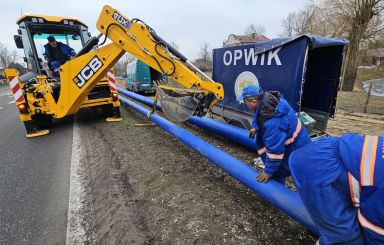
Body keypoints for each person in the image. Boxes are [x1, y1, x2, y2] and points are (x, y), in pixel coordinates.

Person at [289, 133, 384, 245]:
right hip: (320, 169)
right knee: (345, 239)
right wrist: (269, 170)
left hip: (325, 152)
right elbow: (375, 231)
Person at [236, 84, 311, 184]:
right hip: (297, 140)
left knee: (278, 172)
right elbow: (259, 114)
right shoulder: (268, 101)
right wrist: (255, 127)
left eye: (245, 102)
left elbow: (275, 151)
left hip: (297, 148)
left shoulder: (272, 123)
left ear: (253, 101)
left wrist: (268, 172)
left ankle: (277, 195)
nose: (244, 104)